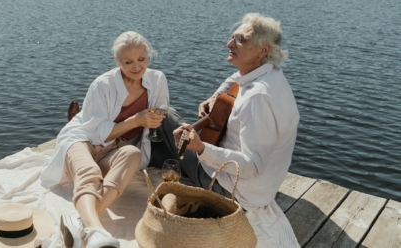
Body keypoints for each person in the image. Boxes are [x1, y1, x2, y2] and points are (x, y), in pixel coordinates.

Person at [151, 13, 300, 248]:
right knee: (176, 135)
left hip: (234, 192)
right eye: (232, 37)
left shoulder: (257, 99)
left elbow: (253, 166)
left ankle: (150, 163)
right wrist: (215, 96)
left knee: (167, 116)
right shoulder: (271, 75)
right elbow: (235, 79)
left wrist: (201, 148)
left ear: (263, 50)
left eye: (240, 40)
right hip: (261, 191)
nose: (229, 44)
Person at [40, 31, 169, 248]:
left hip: (115, 148)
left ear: (148, 57)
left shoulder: (157, 80)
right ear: (116, 61)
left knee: (133, 154)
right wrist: (136, 120)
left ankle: (82, 223)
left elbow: (160, 113)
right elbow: (94, 133)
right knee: (89, 173)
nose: (137, 67)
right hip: (82, 140)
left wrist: (155, 120)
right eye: (128, 61)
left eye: (141, 59)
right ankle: (96, 230)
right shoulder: (102, 85)